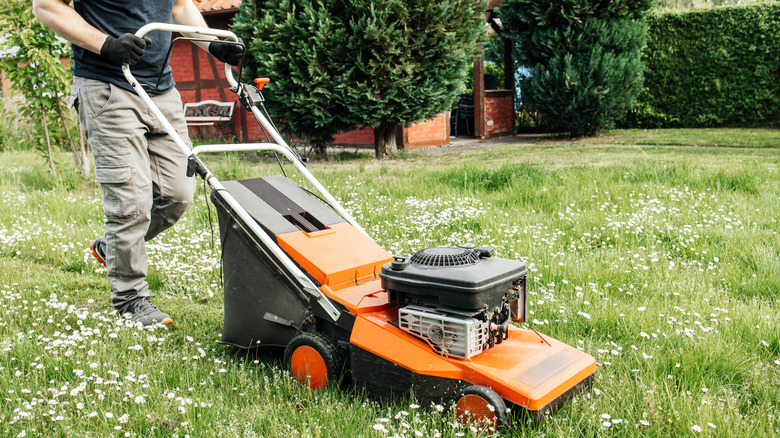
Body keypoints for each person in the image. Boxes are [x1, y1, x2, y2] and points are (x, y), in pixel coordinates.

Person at [32, 0, 242, 326]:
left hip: (161, 89)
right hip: (108, 85)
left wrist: (211, 42)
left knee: (178, 194)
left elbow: (179, 5)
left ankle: (111, 248)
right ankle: (131, 300)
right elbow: (46, 7)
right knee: (131, 203)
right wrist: (106, 45)